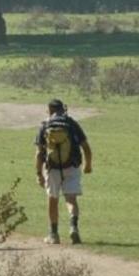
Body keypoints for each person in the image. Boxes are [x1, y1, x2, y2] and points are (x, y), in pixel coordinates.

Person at [35, 99, 93, 245]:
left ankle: (53, 234)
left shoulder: (45, 125)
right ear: (63, 109)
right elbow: (85, 146)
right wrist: (88, 165)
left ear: (49, 110)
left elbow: (39, 153)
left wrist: (39, 174)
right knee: (71, 199)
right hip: (71, 166)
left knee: (52, 199)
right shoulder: (71, 124)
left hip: (52, 168)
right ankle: (73, 226)